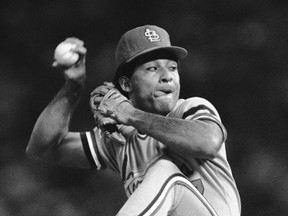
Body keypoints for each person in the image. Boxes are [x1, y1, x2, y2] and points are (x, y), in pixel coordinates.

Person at [26, 25, 241, 216]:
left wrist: (130, 114)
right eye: (153, 68)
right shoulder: (119, 138)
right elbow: (43, 148)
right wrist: (73, 89)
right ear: (126, 84)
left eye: (172, 67)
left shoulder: (189, 108)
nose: (167, 76)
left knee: (165, 172)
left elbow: (210, 142)